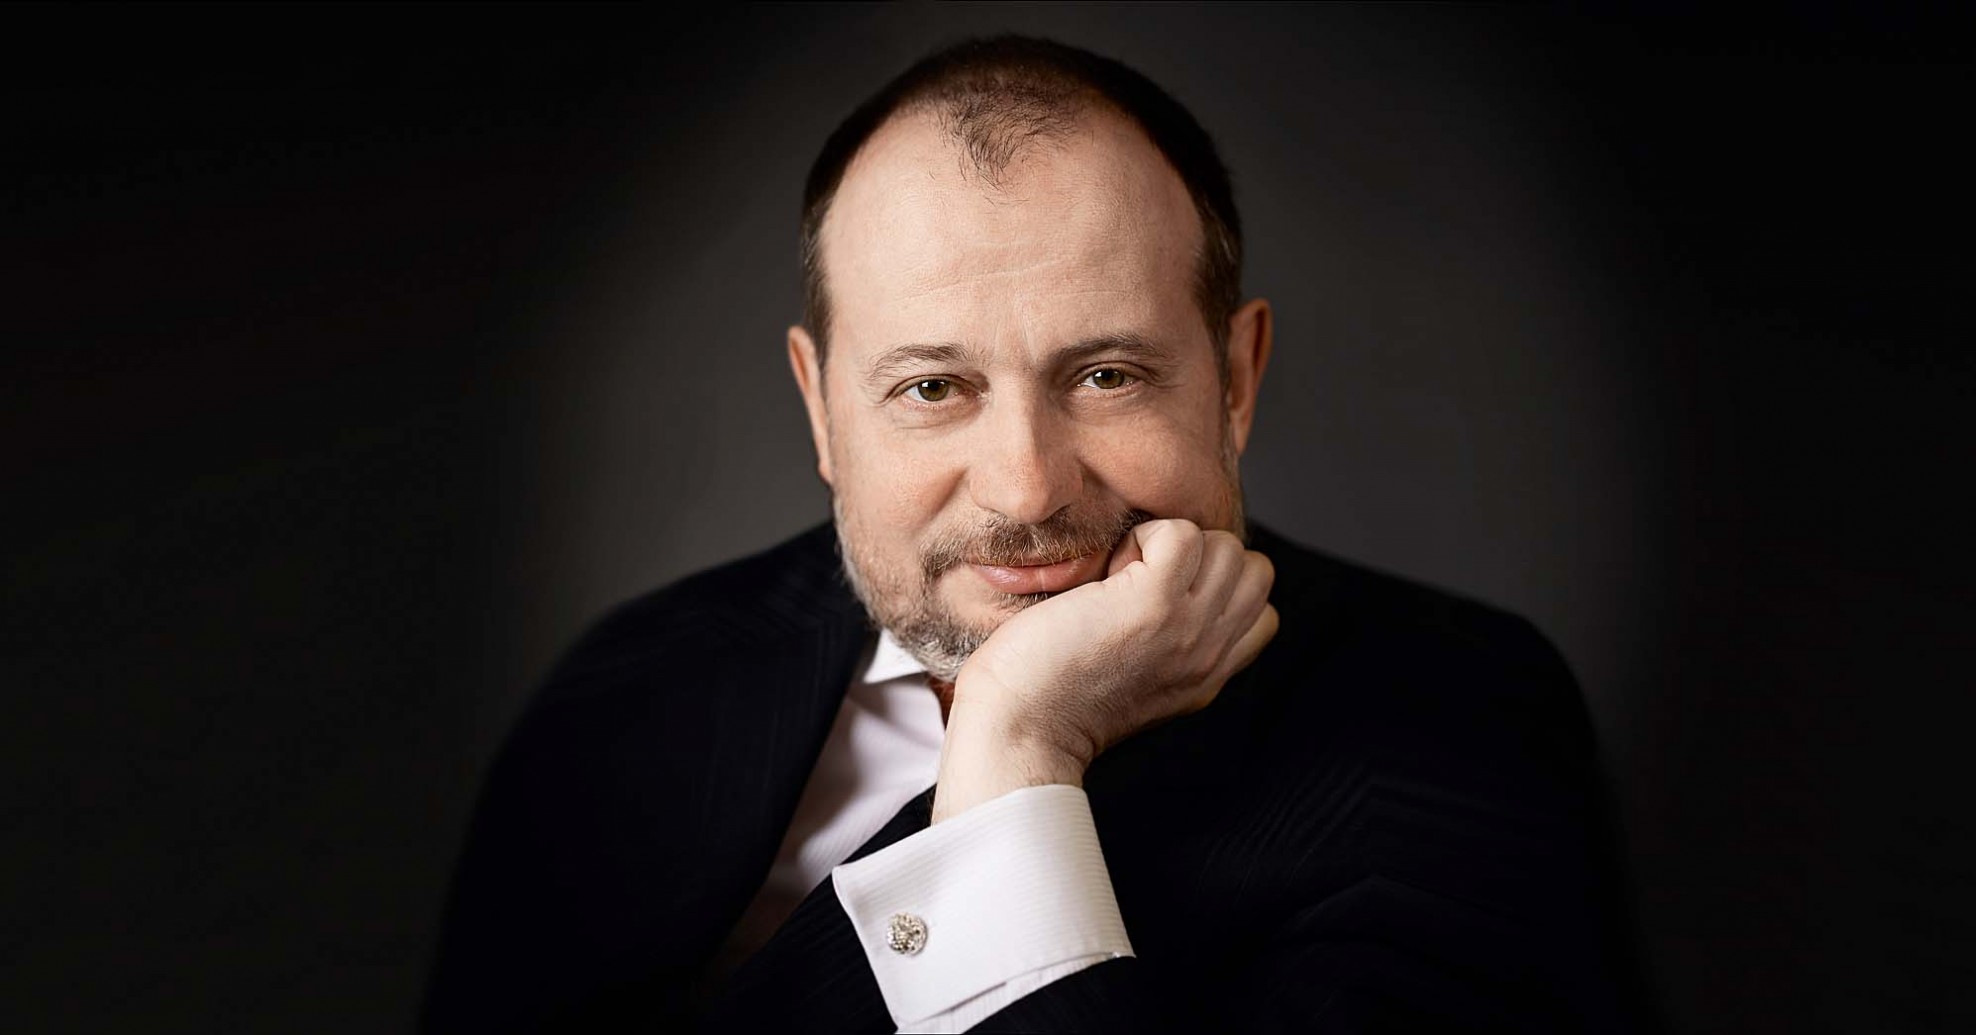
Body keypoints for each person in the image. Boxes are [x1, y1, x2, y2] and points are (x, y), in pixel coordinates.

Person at [423, 35, 1637, 1034]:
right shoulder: (635, 680)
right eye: (931, 388)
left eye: (1106, 376)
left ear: (1234, 380)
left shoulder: (1453, 713)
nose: (1023, 489)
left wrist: (1016, 755)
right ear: (821, 409)